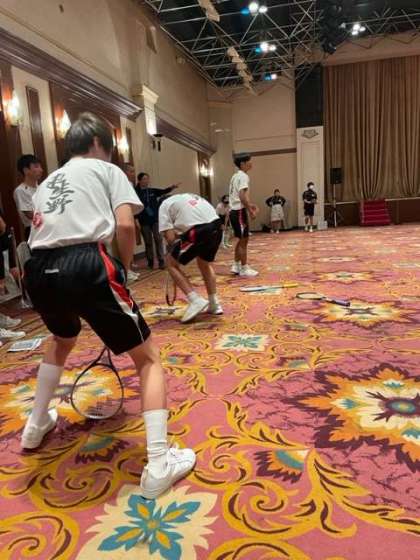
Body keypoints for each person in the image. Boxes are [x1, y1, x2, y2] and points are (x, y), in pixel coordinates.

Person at [21, 112, 195, 500]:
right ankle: (159, 463)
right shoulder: (106, 169)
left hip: (38, 271)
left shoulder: (47, 181)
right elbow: (126, 226)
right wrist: (125, 270)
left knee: (61, 339)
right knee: (148, 359)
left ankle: (34, 426)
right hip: (87, 263)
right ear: (100, 144)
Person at [159, 192, 224, 323]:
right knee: (204, 263)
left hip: (198, 230)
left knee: (170, 263)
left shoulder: (164, 205)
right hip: (217, 227)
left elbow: (170, 239)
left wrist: (174, 235)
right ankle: (214, 303)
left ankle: (195, 300)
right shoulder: (188, 196)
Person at [135, 173, 179, 270]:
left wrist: (172, 187)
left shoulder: (152, 191)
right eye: (144, 179)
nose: (146, 181)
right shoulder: (135, 192)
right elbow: (134, 207)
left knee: (158, 239)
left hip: (155, 219)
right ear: (139, 180)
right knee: (148, 242)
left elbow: (163, 191)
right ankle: (150, 261)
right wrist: (136, 219)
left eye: (147, 179)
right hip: (143, 221)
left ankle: (161, 261)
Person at [228, 153, 258, 277]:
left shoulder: (235, 176)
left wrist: (250, 205)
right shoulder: (243, 176)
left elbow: (238, 196)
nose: (251, 163)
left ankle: (236, 265)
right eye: (249, 161)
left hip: (234, 211)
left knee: (241, 240)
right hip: (239, 212)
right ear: (242, 163)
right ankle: (244, 268)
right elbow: (241, 196)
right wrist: (250, 211)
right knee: (244, 241)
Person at [14, 155, 43, 240]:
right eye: (36, 167)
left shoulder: (41, 187)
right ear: (26, 170)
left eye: (40, 167)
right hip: (33, 230)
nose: (41, 170)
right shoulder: (20, 190)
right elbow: (30, 214)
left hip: (45, 226)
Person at [123, 163, 141, 282]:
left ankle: (129, 268)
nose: (134, 174)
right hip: (124, 215)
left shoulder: (130, 184)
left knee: (131, 241)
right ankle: (126, 270)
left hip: (131, 214)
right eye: (131, 171)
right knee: (125, 241)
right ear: (125, 172)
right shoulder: (122, 183)